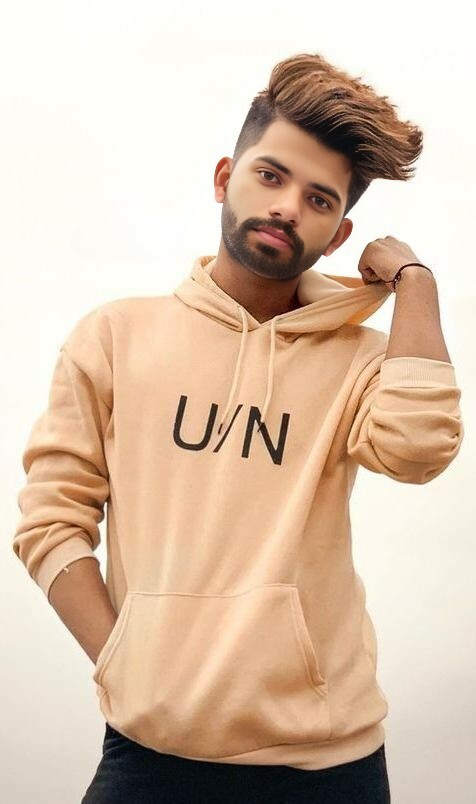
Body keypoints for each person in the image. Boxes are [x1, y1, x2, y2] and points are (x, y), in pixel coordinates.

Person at [12, 51, 463, 803]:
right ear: (226, 177)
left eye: (319, 200)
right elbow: (51, 522)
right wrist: (123, 659)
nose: (288, 207)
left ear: (339, 233)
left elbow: (418, 451)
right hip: (149, 752)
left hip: (328, 763)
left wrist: (416, 284)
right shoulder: (115, 337)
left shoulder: (360, 359)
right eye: (271, 176)